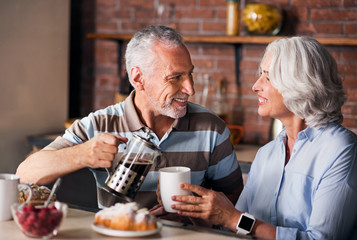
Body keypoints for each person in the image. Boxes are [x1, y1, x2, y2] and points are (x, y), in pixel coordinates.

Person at [16, 25, 243, 213]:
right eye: (176, 77)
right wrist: (83, 153)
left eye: (189, 74)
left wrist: (194, 208)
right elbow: (24, 174)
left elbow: (235, 196)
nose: (190, 89)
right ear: (138, 78)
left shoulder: (212, 127)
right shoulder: (99, 124)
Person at [168, 36, 357, 239]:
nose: (255, 86)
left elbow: (321, 238)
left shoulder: (341, 149)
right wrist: (192, 213)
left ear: (299, 84)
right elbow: (233, 228)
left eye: (267, 78)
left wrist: (233, 218)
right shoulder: (266, 154)